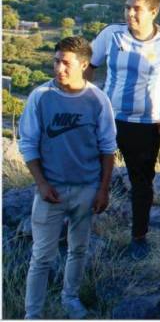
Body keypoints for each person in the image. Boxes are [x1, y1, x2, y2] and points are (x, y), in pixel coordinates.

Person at [87, 0, 160, 259]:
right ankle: (79, 226)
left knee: (141, 182)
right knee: (87, 172)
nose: (130, 14)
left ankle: (138, 237)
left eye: (137, 9)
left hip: (146, 124)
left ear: (154, 11)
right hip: (108, 118)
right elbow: (88, 66)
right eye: (127, 7)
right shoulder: (112, 35)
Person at [19, 36, 117, 319]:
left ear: (84, 65)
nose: (59, 68)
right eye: (56, 61)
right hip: (52, 189)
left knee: (79, 249)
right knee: (41, 256)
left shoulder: (97, 100)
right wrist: (41, 184)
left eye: (66, 63)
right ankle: (32, 313)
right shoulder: (41, 96)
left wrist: (103, 190)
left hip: (86, 188)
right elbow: (28, 143)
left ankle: (70, 299)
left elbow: (108, 148)